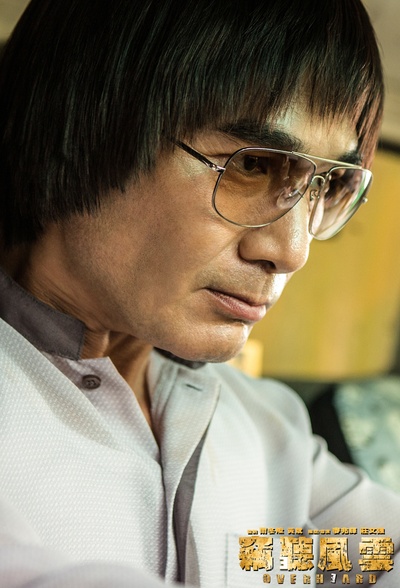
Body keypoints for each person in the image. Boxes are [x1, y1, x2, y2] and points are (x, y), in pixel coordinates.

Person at [0, 0, 398, 586]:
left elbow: (358, 556)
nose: (292, 251)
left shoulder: (260, 428)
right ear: (78, 127)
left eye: (328, 184)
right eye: (253, 165)